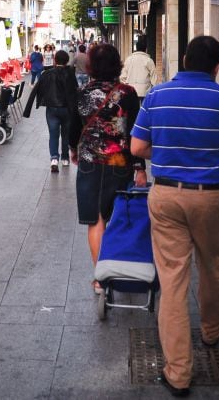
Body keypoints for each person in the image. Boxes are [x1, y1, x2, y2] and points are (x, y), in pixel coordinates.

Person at [130, 36, 219, 397]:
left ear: (182, 60)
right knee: (213, 267)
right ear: (216, 66)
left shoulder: (157, 95)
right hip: (212, 198)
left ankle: (178, 372)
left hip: (165, 197)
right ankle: (212, 330)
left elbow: (137, 146)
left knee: (173, 282)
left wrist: (164, 150)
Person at [68, 44, 146, 295]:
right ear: (117, 64)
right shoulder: (127, 93)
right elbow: (135, 132)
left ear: (90, 66)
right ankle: (121, 269)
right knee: (118, 218)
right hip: (120, 164)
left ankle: (101, 279)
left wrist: (73, 150)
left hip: (90, 163)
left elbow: (72, 129)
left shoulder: (81, 92)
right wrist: (140, 168)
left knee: (96, 220)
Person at [23, 49, 78, 173]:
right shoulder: (70, 74)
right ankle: (65, 158)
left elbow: (36, 89)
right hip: (67, 109)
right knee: (65, 134)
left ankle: (54, 159)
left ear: (55, 60)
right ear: (67, 61)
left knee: (53, 134)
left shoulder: (47, 74)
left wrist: (28, 109)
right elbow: (75, 91)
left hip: (52, 109)